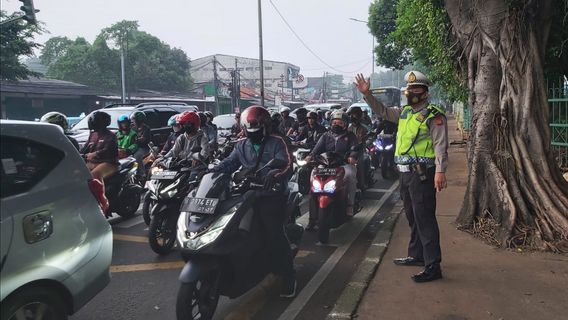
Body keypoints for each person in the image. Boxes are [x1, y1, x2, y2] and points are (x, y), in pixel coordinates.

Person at [355, 71, 448, 283]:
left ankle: (433, 265)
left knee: (425, 218)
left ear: (425, 93)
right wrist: (367, 94)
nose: (411, 92)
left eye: (416, 89)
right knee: (412, 215)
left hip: (423, 174)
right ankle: (417, 255)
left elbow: (440, 145)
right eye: (410, 89)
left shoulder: (434, 115)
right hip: (405, 175)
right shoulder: (405, 112)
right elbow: (383, 111)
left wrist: (441, 171)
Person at [210, 106, 297, 298]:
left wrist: (274, 175)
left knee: (274, 234)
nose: (252, 131)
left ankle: (288, 275)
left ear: (265, 126)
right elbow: (230, 163)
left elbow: (287, 164)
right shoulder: (241, 144)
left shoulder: (277, 142)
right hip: (246, 194)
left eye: (255, 127)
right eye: (248, 127)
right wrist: (210, 171)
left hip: (271, 194)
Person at [304, 110, 359, 231]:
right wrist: (310, 156)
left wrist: (352, 156)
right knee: (313, 181)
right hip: (325, 165)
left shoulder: (350, 136)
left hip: (343, 165)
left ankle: (350, 204)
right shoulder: (325, 135)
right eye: (334, 122)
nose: (336, 124)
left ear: (345, 124)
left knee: (351, 176)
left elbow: (355, 148)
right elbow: (316, 149)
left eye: (340, 122)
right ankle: (312, 219)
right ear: (331, 123)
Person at [80, 111, 119, 183]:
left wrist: (95, 154)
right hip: (92, 162)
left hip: (108, 163)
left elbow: (108, 150)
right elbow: (84, 149)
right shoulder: (92, 135)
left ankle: (100, 194)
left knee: (95, 175)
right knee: (76, 173)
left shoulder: (111, 135)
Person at [347, 106, 373, 189]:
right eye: (350, 115)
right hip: (348, 152)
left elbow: (371, 136)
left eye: (354, 115)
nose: (352, 117)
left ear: (358, 115)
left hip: (361, 151)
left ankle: (362, 184)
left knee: (359, 165)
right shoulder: (348, 128)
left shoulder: (365, 127)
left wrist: (365, 143)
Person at [130, 111, 152, 175]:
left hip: (143, 148)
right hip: (133, 146)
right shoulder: (132, 128)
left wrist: (136, 139)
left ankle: (141, 174)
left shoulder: (146, 128)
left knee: (137, 156)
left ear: (138, 120)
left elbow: (143, 139)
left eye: (134, 120)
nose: (133, 121)